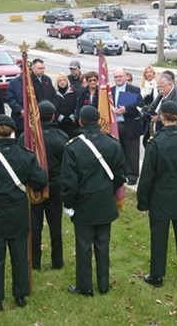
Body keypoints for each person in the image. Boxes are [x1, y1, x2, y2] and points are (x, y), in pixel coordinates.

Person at [0, 114, 47, 312]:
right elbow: (40, 181)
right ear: (13, 131)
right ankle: (20, 295)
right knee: (20, 257)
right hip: (19, 215)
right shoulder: (26, 155)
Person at [61, 106, 125, 296]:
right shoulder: (112, 144)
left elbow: (69, 182)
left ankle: (84, 286)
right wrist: (107, 191)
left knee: (83, 246)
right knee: (103, 245)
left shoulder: (73, 147)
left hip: (83, 203)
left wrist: (69, 204)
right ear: (98, 121)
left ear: (80, 121)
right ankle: (103, 284)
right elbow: (119, 176)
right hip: (105, 200)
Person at [137, 101, 177, 287]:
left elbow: (147, 176)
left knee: (159, 236)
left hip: (160, 196)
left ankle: (157, 274)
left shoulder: (156, 142)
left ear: (162, 117)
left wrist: (143, 201)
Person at [19, 101, 68, 270]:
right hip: (55, 186)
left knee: (34, 226)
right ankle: (57, 261)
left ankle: (34, 262)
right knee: (56, 226)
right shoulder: (61, 137)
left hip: (34, 186)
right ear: (53, 116)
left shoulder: (25, 138)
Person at [111, 68, 144, 186]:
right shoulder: (111, 91)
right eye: (116, 77)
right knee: (119, 151)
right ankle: (122, 174)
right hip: (116, 125)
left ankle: (132, 175)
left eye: (121, 76)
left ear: (125, 77)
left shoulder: (134, 90)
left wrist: (126, 109)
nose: (119, 79)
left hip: (130, 124)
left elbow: (141, 105)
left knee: (132, 152)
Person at [53, 72, 79, 138]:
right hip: (59, 124)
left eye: (64, 80)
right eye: (60, 80)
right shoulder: (54, 94)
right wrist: (60, 118)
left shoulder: (73, 92)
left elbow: (77, 106)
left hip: (72, 123)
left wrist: (72, 117)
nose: (62, 82)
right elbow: (53, 108)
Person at [140, 65, 158, 145]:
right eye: (147, 72)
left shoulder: (157, 85)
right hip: (145, 115)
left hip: (155, 113)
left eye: (150, 72)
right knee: (146, 137)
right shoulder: (143, 86)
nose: (149, 74)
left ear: (153, 73)